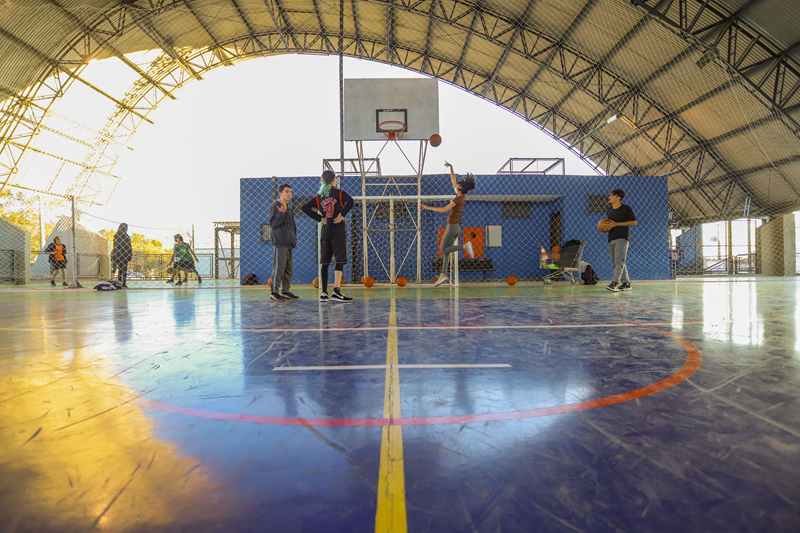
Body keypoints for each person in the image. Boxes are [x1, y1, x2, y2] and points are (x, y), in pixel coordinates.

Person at [301, 170, 354, 302]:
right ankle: (336, 291)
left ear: (322, 180)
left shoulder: (319, 197)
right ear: (334, 180)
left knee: (324, 262)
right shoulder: (340, 194)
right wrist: (342, 214)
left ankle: (324, 293)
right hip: (338, 233)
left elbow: (305, 208)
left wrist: (320, 218)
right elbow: (351, 202)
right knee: (339, 261)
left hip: (325, 233)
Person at [422, 161, 476, 288]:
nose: (456, 184)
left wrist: (428, 207)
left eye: (458, 184)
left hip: (452, 227)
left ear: (461, 187)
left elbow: (444, 210)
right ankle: (443, 275)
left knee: (443, 249)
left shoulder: (457, 199)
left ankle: (465, 247)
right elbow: (453, 180)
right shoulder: (460, 196)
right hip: (455, 227)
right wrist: (451, 168)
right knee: (446, 252)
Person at [269, 183, 298, 301]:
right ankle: (274, 292)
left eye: (290, 191)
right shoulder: (275, 206)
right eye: (286, 191)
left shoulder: (289, 209)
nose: (289, 194)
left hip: (289, 243)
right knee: (279, 268)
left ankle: (285, 291)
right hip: (280, 243)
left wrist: (293, 239)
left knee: (288, 269)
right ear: (280, 193)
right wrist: (281, 213)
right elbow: (273, 224)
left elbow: (293, 227)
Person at [604, 188, 637, 292]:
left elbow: (633, 222)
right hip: (611, 238)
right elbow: (609, 225)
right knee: (617, 262)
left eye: (612, 195)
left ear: (618, 197)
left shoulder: (626, 209)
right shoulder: (609, 210)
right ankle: (626, 283)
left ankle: (614, 283)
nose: (609, 196)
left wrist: (616, 224)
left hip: (622, 238)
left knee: (619, 261)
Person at [111, 222, 132, 288]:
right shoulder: (126, 236)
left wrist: (114, 255)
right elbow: (129, 247)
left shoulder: (116, 236)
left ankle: (119, 283)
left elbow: (114, 246)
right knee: (124, 270)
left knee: (119, 269)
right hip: (125, 255)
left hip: (118, 255)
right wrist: (130, 255)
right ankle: (124, 283)